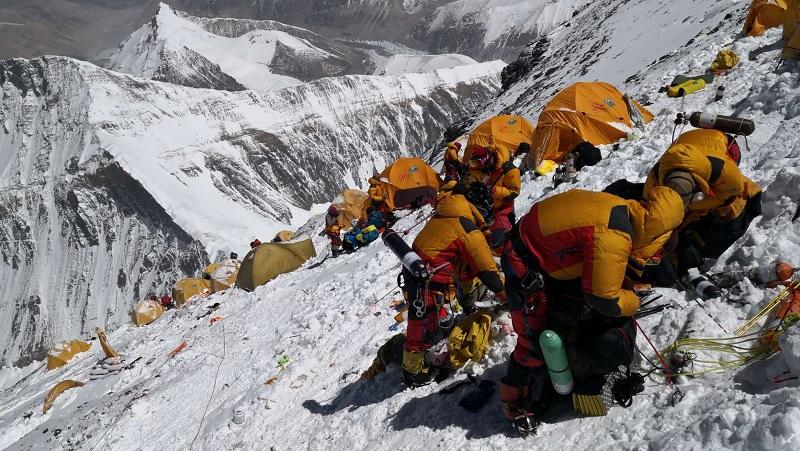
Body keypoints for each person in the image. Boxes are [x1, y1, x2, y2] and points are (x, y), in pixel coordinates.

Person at [498, 187, 684, 434]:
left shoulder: (622, 207)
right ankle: (511, 395)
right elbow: (605, 300)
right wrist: (633, 302)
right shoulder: (615, 235)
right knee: (531, 335)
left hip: (539, 245)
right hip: (524, 262)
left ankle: (557, 359)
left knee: (559, 316)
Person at [608, 129, 762, 292]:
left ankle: (684, 259)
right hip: (677, 193)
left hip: (673, 187)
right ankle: (681, 262)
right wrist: (640, 260)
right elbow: (661, 222)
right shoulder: (715, 169)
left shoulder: (691, 148)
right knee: (746, 195)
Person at [399, 181, 506, 387]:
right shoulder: (466, 228)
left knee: (422, 316)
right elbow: (487, 271)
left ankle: (421, 353)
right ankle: (412, 371)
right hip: (429, 279)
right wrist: (505, 295)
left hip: (416, 270)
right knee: (419, 321)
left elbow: (465, 267)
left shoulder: (446, 213)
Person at [467, 146, 521, 253]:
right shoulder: (483, 168)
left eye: (478, 163)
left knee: (498, 241)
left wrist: (493, 191)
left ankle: (505, 254)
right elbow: (473, 178)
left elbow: (514, 192)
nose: (476, 166)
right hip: (486, 210)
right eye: (474, 164)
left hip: (502, 211)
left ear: (486, 159)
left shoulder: (508, 170)